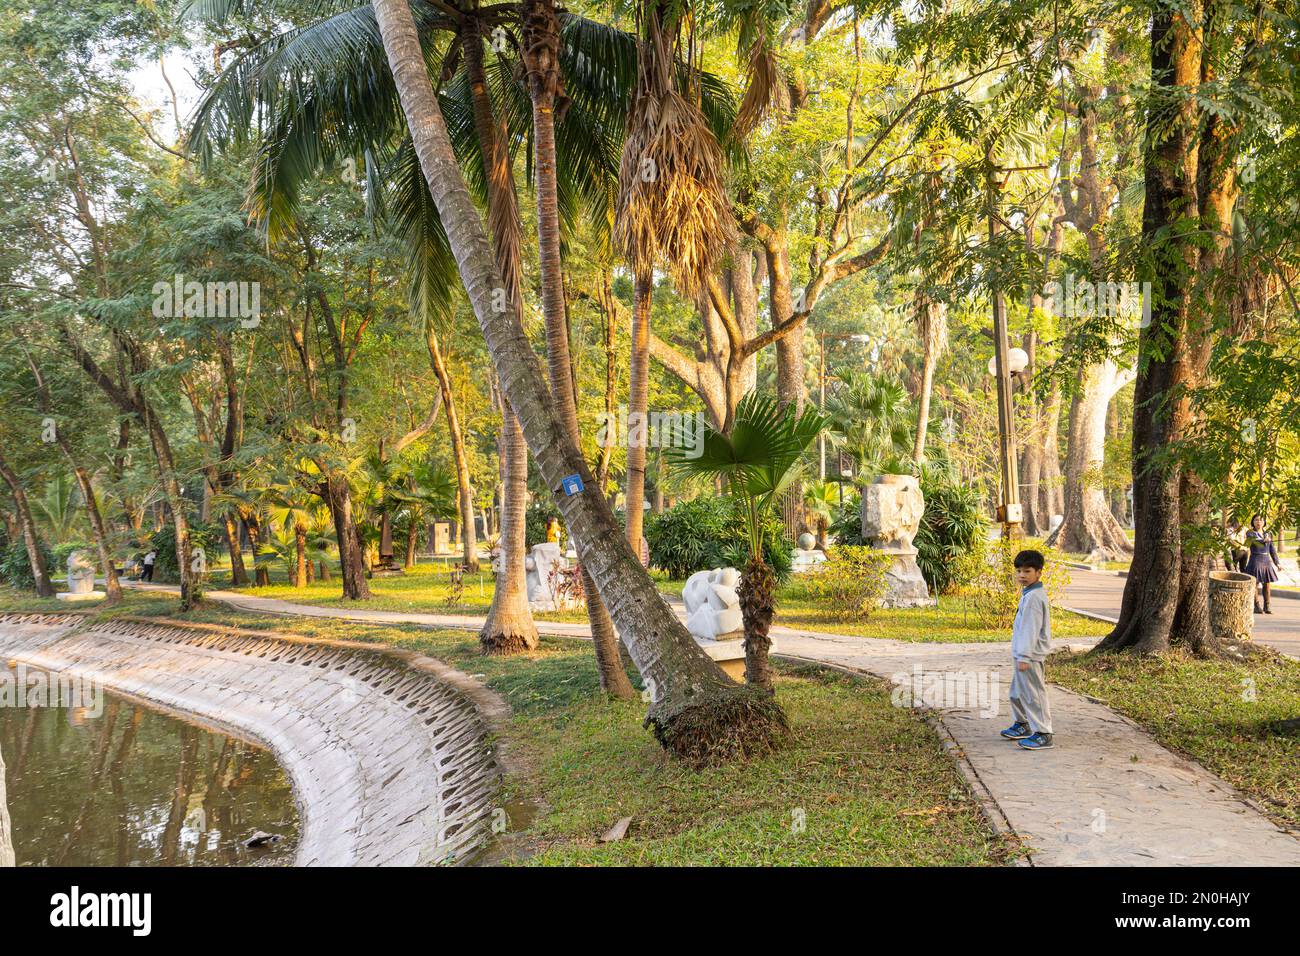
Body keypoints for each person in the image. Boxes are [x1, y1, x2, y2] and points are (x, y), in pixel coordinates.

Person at [1000, 549, 1055, 751]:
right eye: (1019, 571)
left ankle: (1043, 733)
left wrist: (1024, 655)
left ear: (1039, 572)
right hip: (1022, 654)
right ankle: (1022, 724)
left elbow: (1031, 629)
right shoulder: (1029, 594)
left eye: (1027, 571)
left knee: (1033, 694)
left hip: (1029, 656)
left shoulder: (1034, 598)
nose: (1022, 575)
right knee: (1017, 692)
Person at [1244, 514, 1281, 614]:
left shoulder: (1268, 533)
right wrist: (1262, 540)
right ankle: (1256, 606)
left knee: (1267, 584)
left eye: (1261, 520)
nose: (1258, 522)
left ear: (1264, 522)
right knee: (1254, 584)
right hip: (1255, 560)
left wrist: (1277, 563)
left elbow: (1272, 549)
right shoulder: (1250, 533)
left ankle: (1267, 606)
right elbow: (1253, 542)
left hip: (1266, 561)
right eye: (1256, 520)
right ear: (1253, 522)